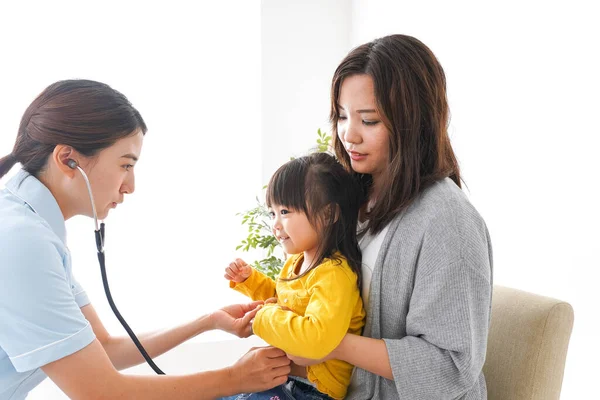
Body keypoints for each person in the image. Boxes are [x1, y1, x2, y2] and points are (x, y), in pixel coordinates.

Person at [0, 80, 290, 399]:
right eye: (126, 165)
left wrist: (207, 321)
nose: (130, 186)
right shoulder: (22, 242)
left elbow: (105, 349)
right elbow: (101, 391)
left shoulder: (29, 229)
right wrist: (237, 378)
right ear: (68, 159)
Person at [288, 34, 494, 399]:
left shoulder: (448, 222)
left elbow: (451, 368)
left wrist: (328, 342)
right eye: (341, 115)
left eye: (369, 120)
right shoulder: (351, 200)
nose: (348, 134)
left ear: (414, 123)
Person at [223, 152, 366, 400]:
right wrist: (251, 282)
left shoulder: (334, 273)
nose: (275, 225)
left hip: (311, 391)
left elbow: (315, 339)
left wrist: (263, 317)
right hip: (287, 381)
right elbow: (285, 301)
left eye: (286, 212)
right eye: (272, 213)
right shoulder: (297, 262)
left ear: (328, 214)